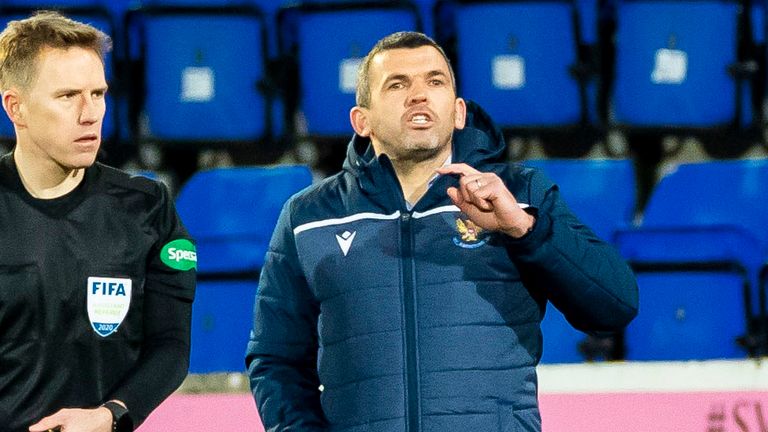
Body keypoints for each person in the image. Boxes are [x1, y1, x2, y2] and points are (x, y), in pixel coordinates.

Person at [246, 31, 638, 431]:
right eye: (397, 84)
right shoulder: (309, 215)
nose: (419, 95)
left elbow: (614, 307)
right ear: (361, 121)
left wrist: (524, 228)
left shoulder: (519, 194)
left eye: (435, 82)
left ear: (458, 111)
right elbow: (276, 359)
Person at [0, 11, 196, 432]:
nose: (90, 113)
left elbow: (170, 347)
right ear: (16, 107)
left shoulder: (147, 207)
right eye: (67, 96)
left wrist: (110, 415)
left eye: (98, 93)